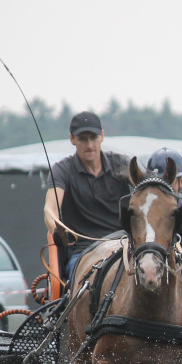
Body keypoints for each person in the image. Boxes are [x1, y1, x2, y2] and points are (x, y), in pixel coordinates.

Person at [43, 111, 131, 279]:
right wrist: (58, 231)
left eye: (93, 137)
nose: (89, 144)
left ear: (102, 136)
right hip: (82, 252)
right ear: (72, 139)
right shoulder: (63, 170)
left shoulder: (121, 164)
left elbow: (147, 187)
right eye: (83, 139)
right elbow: (50, 209)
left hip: (124, 247)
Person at [144, 147, 182, 263]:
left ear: (181, 182)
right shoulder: (141, 210)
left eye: (169, 181)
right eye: (159, 181)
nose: (163, 188)